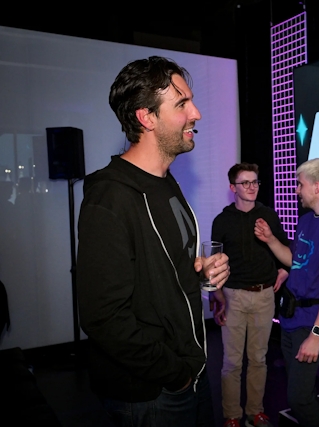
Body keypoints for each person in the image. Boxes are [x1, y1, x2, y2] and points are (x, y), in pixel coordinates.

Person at [76, 56, 230, 427]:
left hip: (188, 375)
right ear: (147, 118)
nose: (197, 113)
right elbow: (103, 318)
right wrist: (173, 375)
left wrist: (197, 271)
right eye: (181, 104)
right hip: (151, 394)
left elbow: (159, 273)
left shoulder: (166, 182)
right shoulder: (111, 196)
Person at [255, 158, 319, 427]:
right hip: (290, 319)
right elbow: (294, 259)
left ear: (316, 187)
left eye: (300, 185)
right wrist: (270, 240)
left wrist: (316, 335)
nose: (296, 190)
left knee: (299, 399)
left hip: (310, 324)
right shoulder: (307, 220)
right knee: (301, 393)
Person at [210, 162, 290, 427]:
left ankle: (255, 411)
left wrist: (283, 270)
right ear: (233, 187)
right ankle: (231, 415)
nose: (252, 187)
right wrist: (217, 295)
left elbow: (284, 249)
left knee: (259, 359)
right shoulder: (222, 221)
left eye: (255, 182)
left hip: (264, 295)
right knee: (231, 362)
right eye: (245, 183)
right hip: (233, 296)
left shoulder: (269, 215)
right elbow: (215, 262)